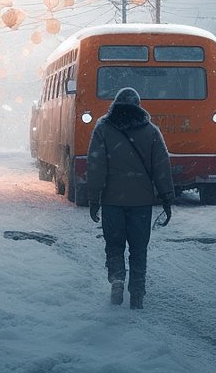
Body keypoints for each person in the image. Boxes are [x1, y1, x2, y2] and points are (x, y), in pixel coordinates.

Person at [86, 87, 174, 310]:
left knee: (114, 245)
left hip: (112, 201)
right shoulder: (151, 131)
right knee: (138, 248)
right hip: (141, 202)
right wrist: (166, 196)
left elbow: (96, 165)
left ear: (115, 104)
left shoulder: (103, 128)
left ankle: (117, 278)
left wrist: (94, 197)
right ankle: (137, 292)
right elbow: (161, 166)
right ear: (138, 105)